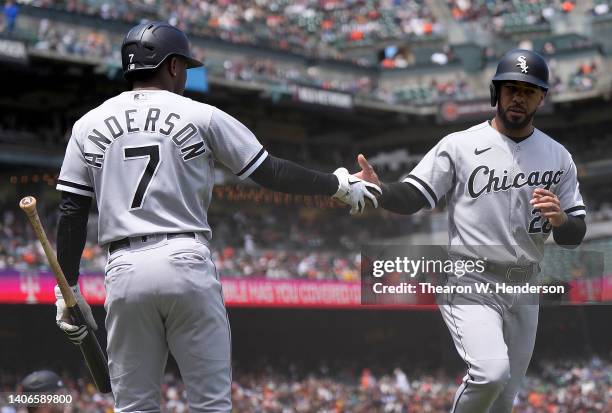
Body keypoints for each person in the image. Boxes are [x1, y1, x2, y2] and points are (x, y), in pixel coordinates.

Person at [52, 21, 380, 413]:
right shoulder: (201, 114)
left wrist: (66, 288)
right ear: (172, 66)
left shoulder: (87, 124)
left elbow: (71, 212)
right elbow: (269, 171)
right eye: (185, 67)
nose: (187, 75)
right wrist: (338, 185)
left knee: (134, 407)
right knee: (210, 405)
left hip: (123, 269)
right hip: (185, 258)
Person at [354, 49, 586, 413]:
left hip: (526, 283)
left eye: (527, 90)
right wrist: (380, 190)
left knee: (505, 398)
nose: (517, 97)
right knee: (490, 374)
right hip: (471, 278)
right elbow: (414, 195)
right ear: (496, 92)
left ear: (542, 97)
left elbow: (575, 234)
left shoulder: (558, 157)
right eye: (510, 88)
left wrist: (561, 220)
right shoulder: (459, 145)